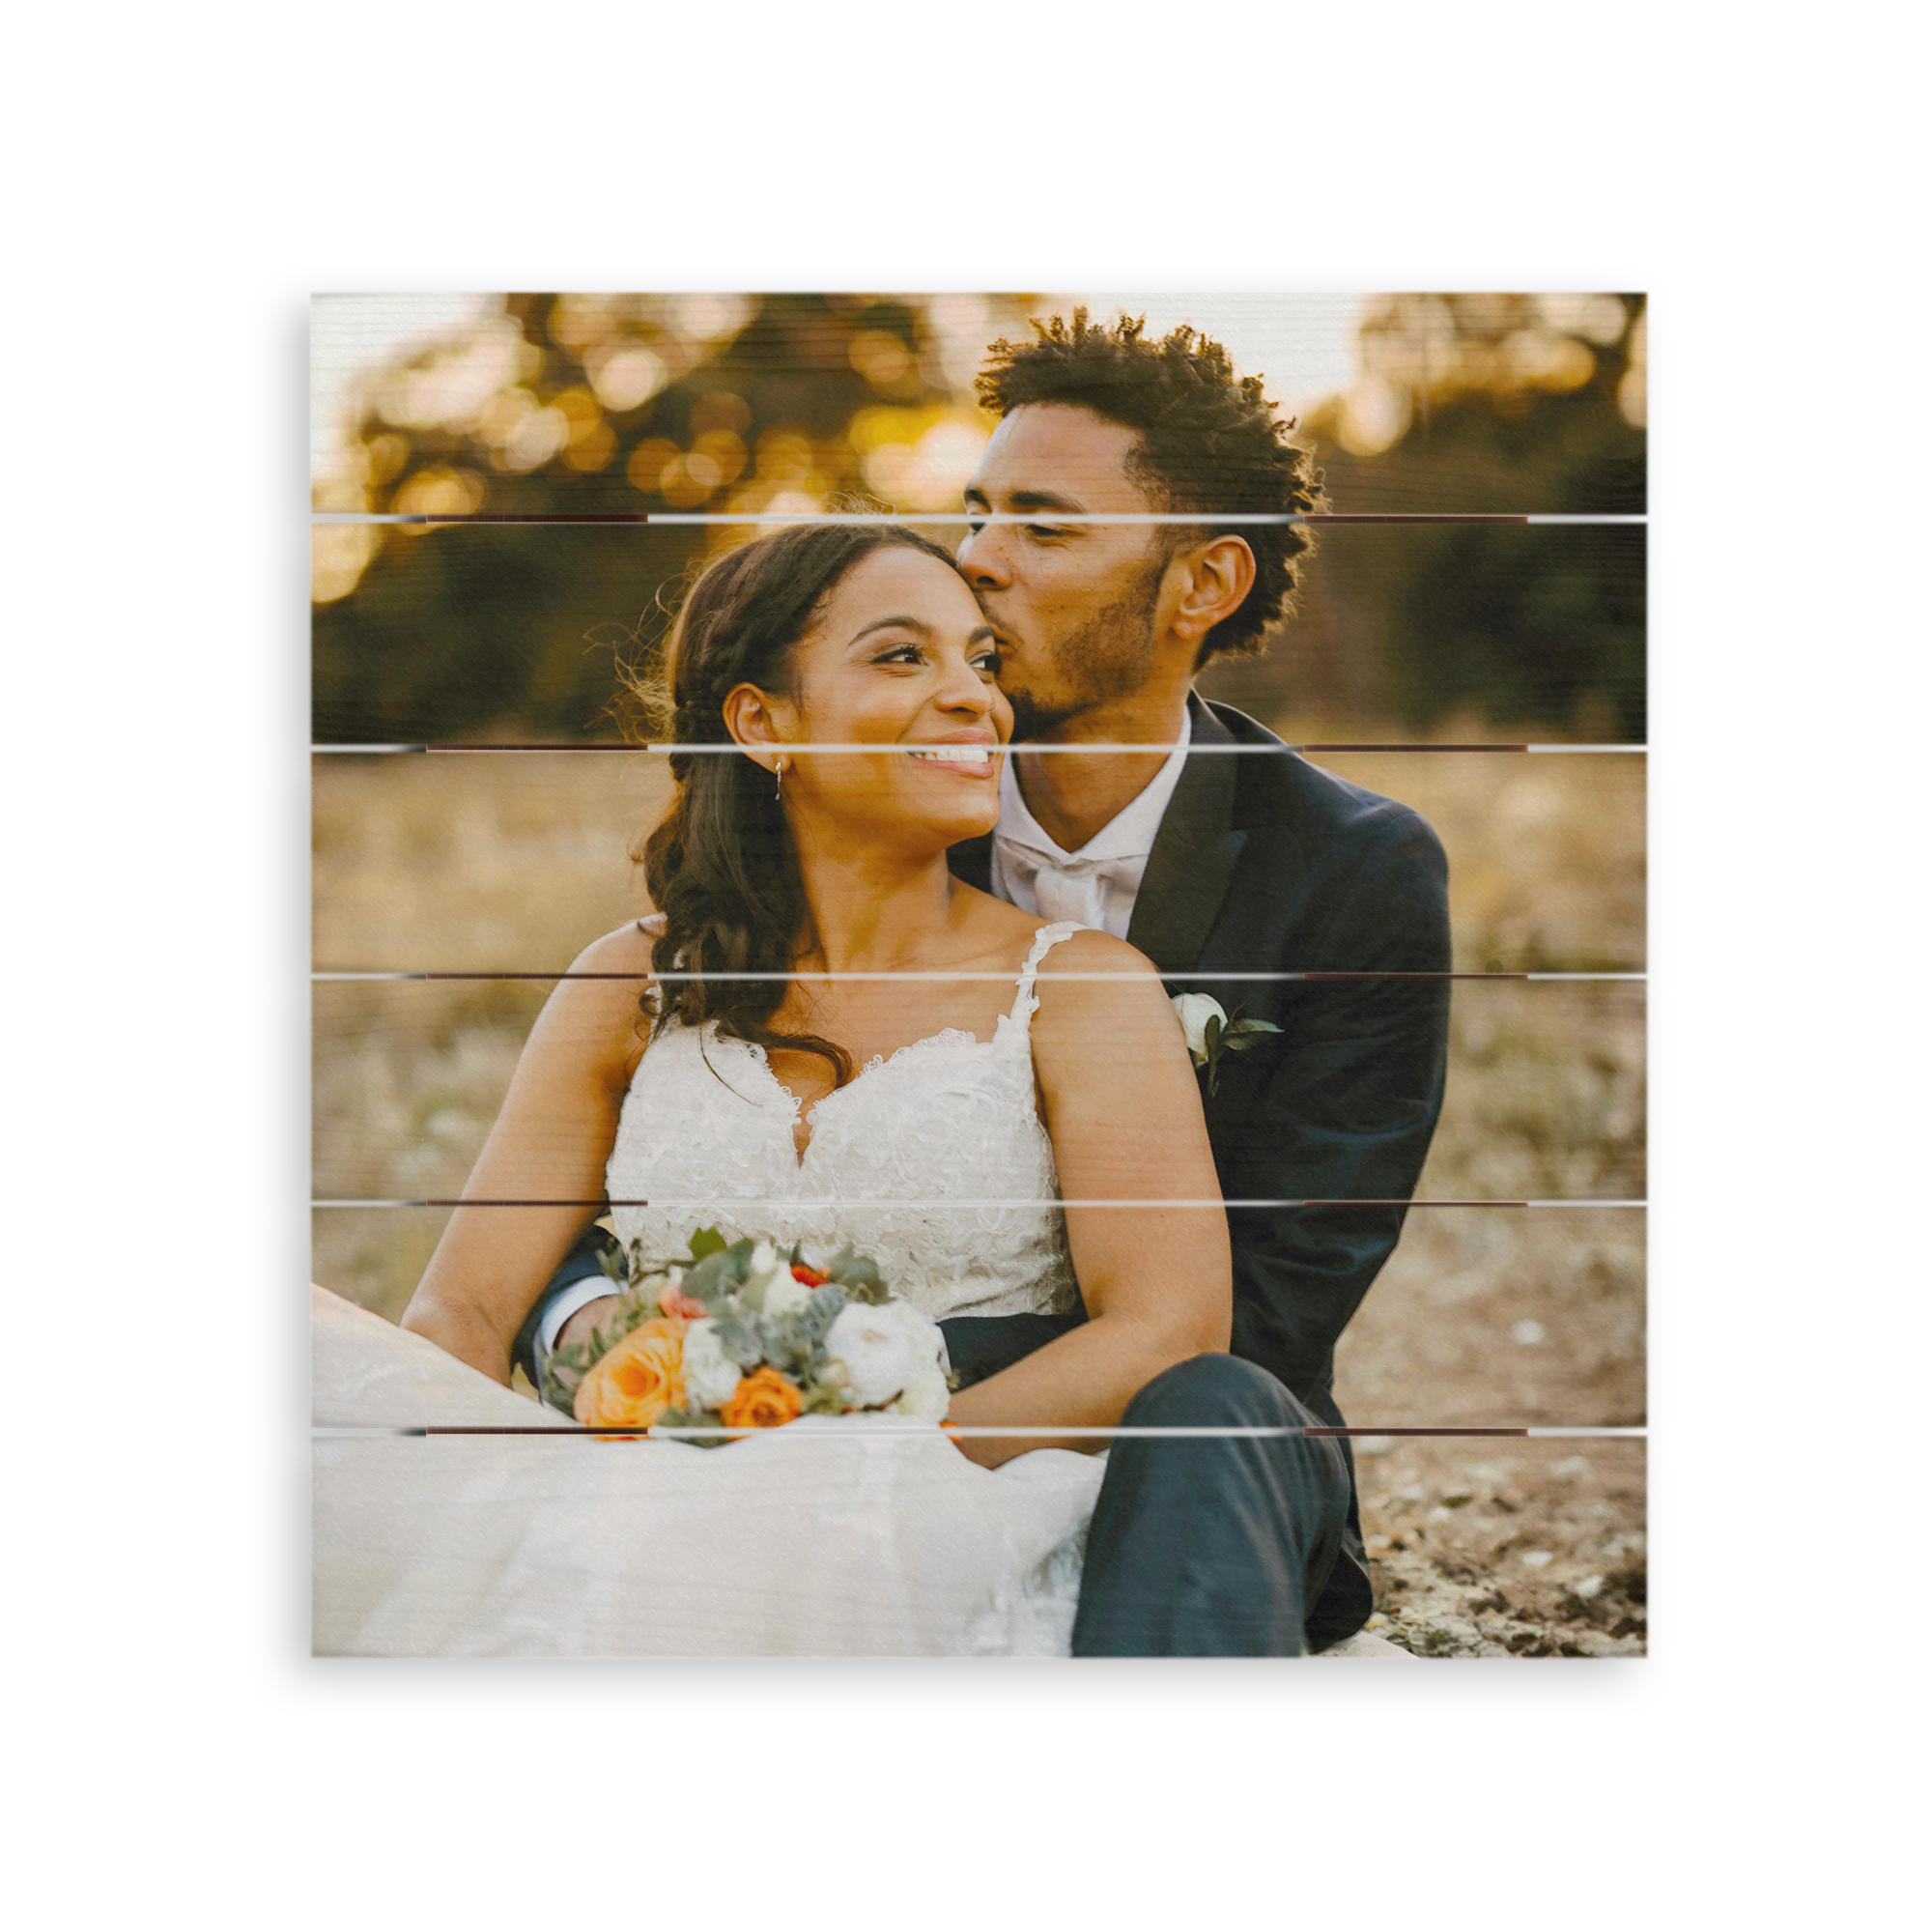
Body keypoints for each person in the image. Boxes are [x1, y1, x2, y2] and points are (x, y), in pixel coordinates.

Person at [517, 312, 1453, 1652]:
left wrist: (852, 1379)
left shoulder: (1351, 871)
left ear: (1205, 584)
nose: (979, 561)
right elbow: (612, 1169)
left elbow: (1278, 1293)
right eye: (978, 513)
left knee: (1207, 1393)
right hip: (737, 1424)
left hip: (1176, 1446)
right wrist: (651, 1348)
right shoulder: (877, 800)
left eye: (1045, 527)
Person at [312, 518, 1358, 1660]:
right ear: (762, 722)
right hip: (653, 1501)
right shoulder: (629, 980)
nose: (974, 697)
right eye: (903, 656)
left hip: (974, 1496)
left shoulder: (1083, 990)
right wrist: (503, 1507)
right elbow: (461, 1310)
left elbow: (1162, 1328)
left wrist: (860, 1474)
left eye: (982, 660)